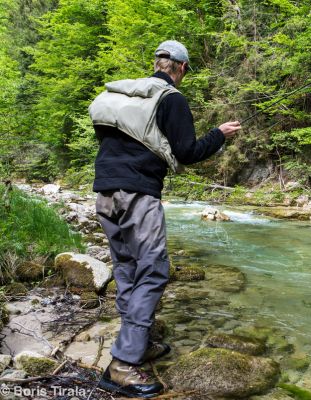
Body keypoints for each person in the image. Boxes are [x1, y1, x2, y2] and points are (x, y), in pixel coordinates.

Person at [89, 40, 241, 398]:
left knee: (127, 269)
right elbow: (188, 152)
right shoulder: (171, 98)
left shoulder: (127, 96)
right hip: (138, 194)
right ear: (182, 68)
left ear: (157, 63)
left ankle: (137, 344)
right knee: (154, 270)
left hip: (104, 193)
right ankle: (123, 365)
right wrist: (218, 134)